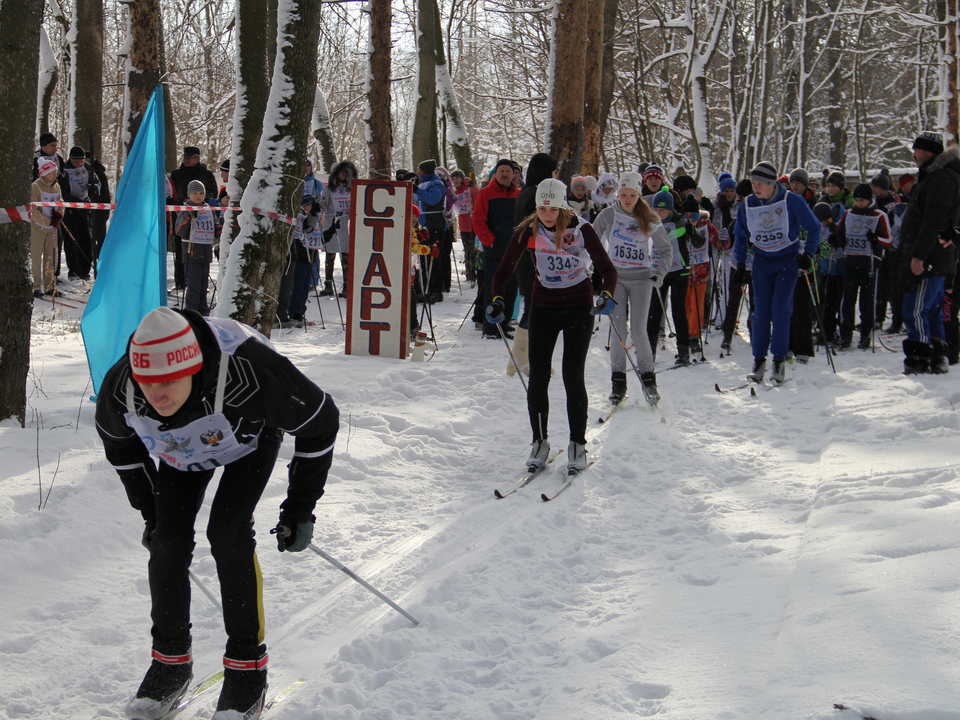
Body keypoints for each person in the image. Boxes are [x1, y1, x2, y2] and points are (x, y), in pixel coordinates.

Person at [95, 306, 339, 719]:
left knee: (227, 531)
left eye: (169, 380)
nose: (156, 393)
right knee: (167, 540)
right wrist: (149, 512)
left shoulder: (251, 370)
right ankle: (169, 664)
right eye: (148, 381)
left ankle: (247, 671)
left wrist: (299, 509)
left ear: (193, 368)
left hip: (248, 435)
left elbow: (320, 421)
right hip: (180, 452)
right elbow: (121, 449)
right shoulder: (122, 388)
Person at [488, 179, 618, 474]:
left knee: (573, 377)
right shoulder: (528, 230)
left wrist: (607, 294)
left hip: (577, 307)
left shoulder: (581, 229)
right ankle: (540, 441)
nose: (547, 214)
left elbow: (607, 268)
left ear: (563, 206)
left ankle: (577, 444)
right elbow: (504, 269)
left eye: (553, 208)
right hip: (544, 306)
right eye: (542, 208)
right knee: (538, 376)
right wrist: (497, 299)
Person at [733, 161, 822, 384]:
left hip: (786, 261)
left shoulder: (792, 200)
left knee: (781, 310)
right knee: (760, 312)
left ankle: (779, 359)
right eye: (753, 183)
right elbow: (741, 236)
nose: (756, 187)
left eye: (761, 183)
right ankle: (759, 360)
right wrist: (741, 265)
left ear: (772, 183)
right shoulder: (748, 205)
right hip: (762, 262)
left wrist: (809, 253)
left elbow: (814, 227)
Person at [592, 171, 672, 405]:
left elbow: (666, 249)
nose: (627, 199)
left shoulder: (649, 216)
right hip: (615, 278)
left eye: (633, 195)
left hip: (642, 280)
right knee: (618, 332)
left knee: (639, 331)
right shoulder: (608, 215)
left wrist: (660, 273)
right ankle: (618, 383)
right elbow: (590, 241)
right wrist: (596, 270)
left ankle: (649, 382)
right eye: (623, 194)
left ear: (639, 195)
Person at [898, 131, 960, 374]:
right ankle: (937, 356)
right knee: (933, 309)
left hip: (930, 256)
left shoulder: (940, 176)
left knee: (915, 308)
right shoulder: (940, 175)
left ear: (928, 152)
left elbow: (934, 219)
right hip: (939, 256)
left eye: (917, 150)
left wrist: (919, 255)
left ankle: (919, 356)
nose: (913, 154)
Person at [511, 152, 559, 376]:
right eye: (553, 171)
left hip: (528, 260)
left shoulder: (527, 191)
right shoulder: (535, 195)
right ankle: (528, 362)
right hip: (535, 260)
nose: (556, 176)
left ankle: (521, 359)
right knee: (535, 311)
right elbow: (541, 228)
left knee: (532, 309)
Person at [828, 183, 892, 349]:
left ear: (870, 200)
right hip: (851, 262)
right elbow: (841, 235)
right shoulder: (849, 214)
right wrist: (836, 240)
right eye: (856, 200)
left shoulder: (879, 215)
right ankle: (846, 334)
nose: (858, 203)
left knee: (867, 301)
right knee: (847, 301)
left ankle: (866, 333)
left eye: (862, 200)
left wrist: (876, 240)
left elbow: (888, 240)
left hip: (870, 264)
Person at [646, 191, 704, 366]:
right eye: (655, 208)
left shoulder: (680, 221)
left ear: (670, 209)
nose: (658, 213)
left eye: (662, 210)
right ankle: (649, 352)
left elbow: (699, 242)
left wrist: (692, 231)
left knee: (679, 310)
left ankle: (683, 350)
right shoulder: (649, 223)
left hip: (679, 270)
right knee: (654, 312)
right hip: (659, 272)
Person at [473, 158, 520, 339]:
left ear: (513, 174)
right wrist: (489, 241)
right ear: (496, 173)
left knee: (511, 288)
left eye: (508, 171)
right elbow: (477, 220)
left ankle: (505, 323)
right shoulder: (486, 193)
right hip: (494, 251)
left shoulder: (518, 194)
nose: (505, 174)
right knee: (494, 289)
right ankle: (491, 326)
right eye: (501, 171)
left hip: (514, 252)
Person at [170, 148, 217, 291]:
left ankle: (200, 283)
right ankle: (180, 281)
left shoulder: (207, 175)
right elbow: (172, 193)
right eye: (185, 156)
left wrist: (200, 201)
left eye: (190, 157)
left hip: (202, 217)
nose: (186, 159)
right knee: (181, 249)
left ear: (197, 158)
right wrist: (183, 201)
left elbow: (212, 193)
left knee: (201, 251)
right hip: (182, 214)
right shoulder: (176, 174)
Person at [175, 180, 216, 315]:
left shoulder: (209, 209)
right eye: (195, 193)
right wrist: (188, 216)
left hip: (205, 255)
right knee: (193, 288)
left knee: (204, 287)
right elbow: (179, 230)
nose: (198, 196)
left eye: (201, 193)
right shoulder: (186, 209)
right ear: (189, 195)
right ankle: (192, 314)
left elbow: (215, 229)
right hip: (191, 255)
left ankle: (203, 314)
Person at [411, 159, 447, 303]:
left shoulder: (437, 184)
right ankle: (423, 289)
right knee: (422, 260)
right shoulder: (422, 183)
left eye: (419, 169)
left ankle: (436, 290)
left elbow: (432, 199)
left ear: (425, 171)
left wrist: (417, 190)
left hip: (435, 225)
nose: (417, 172)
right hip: (422, 226)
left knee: (433, 258)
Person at [319, 160, 357, 297]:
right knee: (330, 254)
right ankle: (328, 284)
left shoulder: (351, 187)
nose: (343, 174)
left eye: (345, 172)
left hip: (347, 223)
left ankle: (347, 286)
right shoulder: (328, 188)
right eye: (340, 172)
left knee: (346, 254)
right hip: (332, 223)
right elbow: (323, 205)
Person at [58, 146, 96, 280]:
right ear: (70, 159)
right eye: (76, 161)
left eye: (81, 161)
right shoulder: (64, 170)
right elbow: (62, 191)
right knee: (71, 240)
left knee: (85, 238)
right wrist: (75, 202)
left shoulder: (87, 168)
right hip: (69, 209)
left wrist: (95, 186)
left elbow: (94, 180)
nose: (79, 164)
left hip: (84, 207)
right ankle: (74, 270)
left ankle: (85, 270)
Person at [30, 157, 62, 298]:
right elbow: (32, 210)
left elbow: (61, 202)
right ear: (44, 173)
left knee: (52, 257)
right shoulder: (35, 186)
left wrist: (60, 214)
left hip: (52, 229)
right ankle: (35, 287)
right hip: (38, 227)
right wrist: (47, 221)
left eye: (55, 172)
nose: (55, 175)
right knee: (36, 257)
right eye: (52, 172)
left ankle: (50, 285)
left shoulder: (56, 186)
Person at [451, 170, 479, 285]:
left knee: (475, 250)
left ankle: (478, 273)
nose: (455, 181)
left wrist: (474, 187)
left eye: (457, 178)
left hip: (474, 223)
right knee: (468, 250)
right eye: (453, 179)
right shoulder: (455, 191)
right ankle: (470, 274)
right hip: (463, 225)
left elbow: (478, 198)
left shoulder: (470, 187)